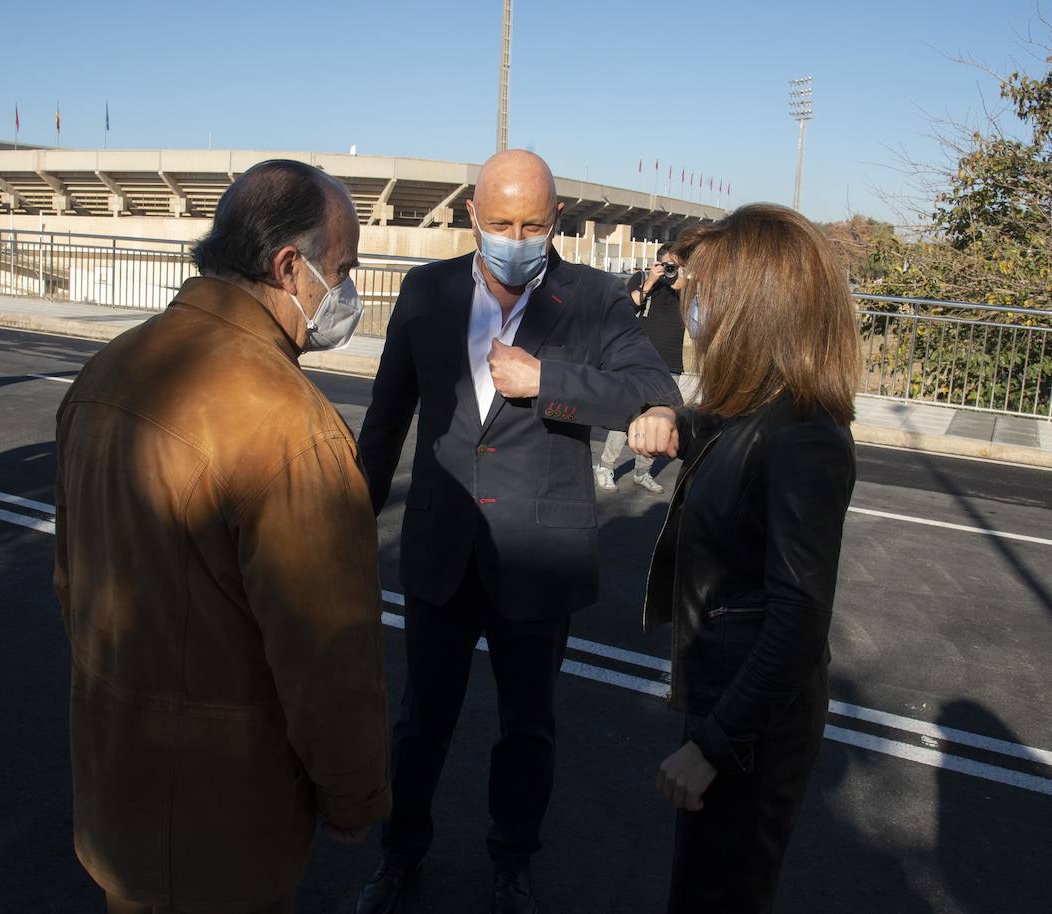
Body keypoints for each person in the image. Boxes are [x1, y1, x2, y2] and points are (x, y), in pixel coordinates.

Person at [54, 159, 391, 914]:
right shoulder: (290, 425)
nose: (349, 292)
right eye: (344, 269)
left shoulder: (106, 372)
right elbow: (329, 656)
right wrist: (353, 792)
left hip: (116, 788)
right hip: (224, 821)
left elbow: (70, 581)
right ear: (288, 267)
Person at [354, 150, 681, 914]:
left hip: (539, 556)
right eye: (500, 222)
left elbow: (652, 388)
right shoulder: (426, 290)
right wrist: (351, 519)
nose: (515, 236)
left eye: (532, 223)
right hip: (442, 547)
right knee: (419, 721)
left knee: (527, 727)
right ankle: (400, 855)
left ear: (555, 220)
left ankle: (513, 863)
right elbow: (387, 415)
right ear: (472, 215)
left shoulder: (596, 298)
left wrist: (549, 383)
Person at [627, 203, 861, 913]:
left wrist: (716, 748)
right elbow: (722, 428)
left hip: (749, 732)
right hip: (724, 701)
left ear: (758, 303)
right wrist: (675, 417)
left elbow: (798, 620)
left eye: (707, 289)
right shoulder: (761, 410)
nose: (694, 304)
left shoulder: (806, 437)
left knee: (720, 896)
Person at [595, 244, 689, 494]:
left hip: (671, 364)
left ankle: (642, 472)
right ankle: (605, 466)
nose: (671, 270)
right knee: (626, 415)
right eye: (668, 264)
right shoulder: (642, 279)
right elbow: (627, 308)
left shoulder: (686, 288)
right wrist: (650, 281)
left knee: (659, 422)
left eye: (676, 265)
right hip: (639, 362)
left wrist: (686, 281)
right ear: (658, 263)